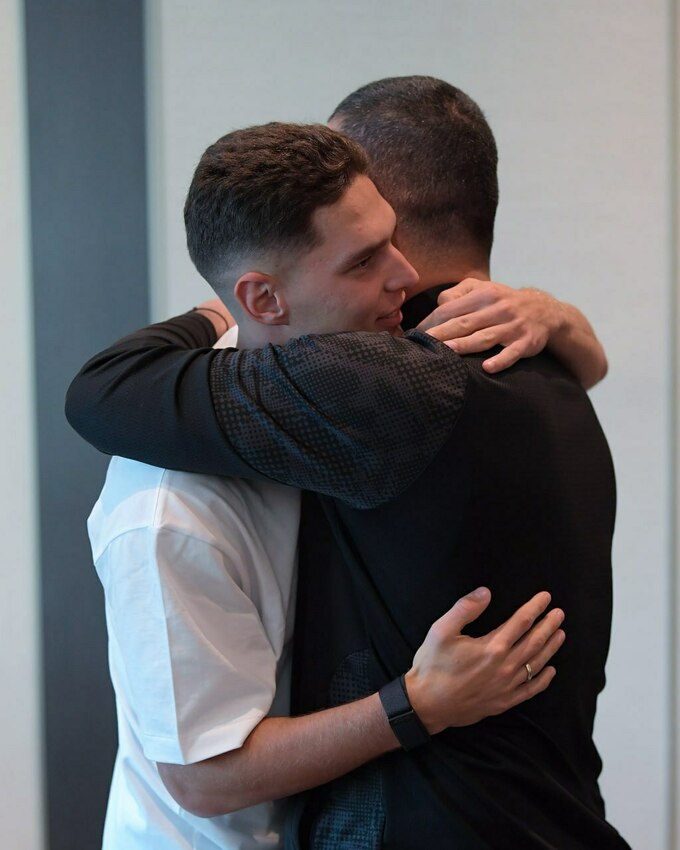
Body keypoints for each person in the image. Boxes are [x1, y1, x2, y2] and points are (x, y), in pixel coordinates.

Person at [66, 78, 630, 849]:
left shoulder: (392, 383)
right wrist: (413, 704)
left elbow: (104, 388)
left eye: (389, 239)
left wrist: (230, 305)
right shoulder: (544, 372)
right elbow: (202, 777)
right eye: (364, 256)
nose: (400, 274)